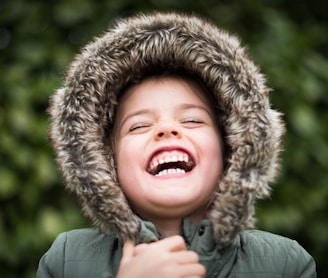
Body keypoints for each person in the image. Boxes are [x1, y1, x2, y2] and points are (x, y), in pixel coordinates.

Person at [37, 11, 316, 277]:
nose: (167, 129)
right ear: (106, 161)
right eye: (139, 125)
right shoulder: (65, 259)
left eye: (193, 120)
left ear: (231, 151)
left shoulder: (285, 263)